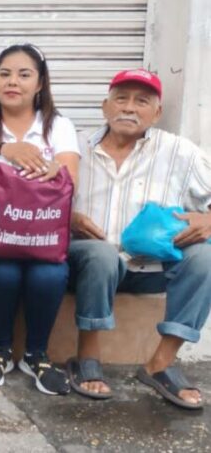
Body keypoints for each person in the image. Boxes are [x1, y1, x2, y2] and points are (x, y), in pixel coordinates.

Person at [67, 69, 211, 409]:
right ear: (105, 106)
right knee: (101, 254)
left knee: (205, 258)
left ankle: (161, 363)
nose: (129, 108)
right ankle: (87, 356)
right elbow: (39, 199)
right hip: (91, 266)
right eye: (121, 99)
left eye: (142, 101)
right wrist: (68, 218)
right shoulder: (75, 147)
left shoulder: (179, 151)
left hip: (155, 268)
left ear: (156, 113)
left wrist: (208, 219)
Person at [0, 44, 80, 395]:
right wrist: (2, 151)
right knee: (2, 272)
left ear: (40, 83)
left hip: (44, 235)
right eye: (5, 74)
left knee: (49, 273)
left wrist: (54, 170)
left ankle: (35, 355)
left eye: (24, 74)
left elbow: (69, 180)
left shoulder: (58, 127)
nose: (13, 82)